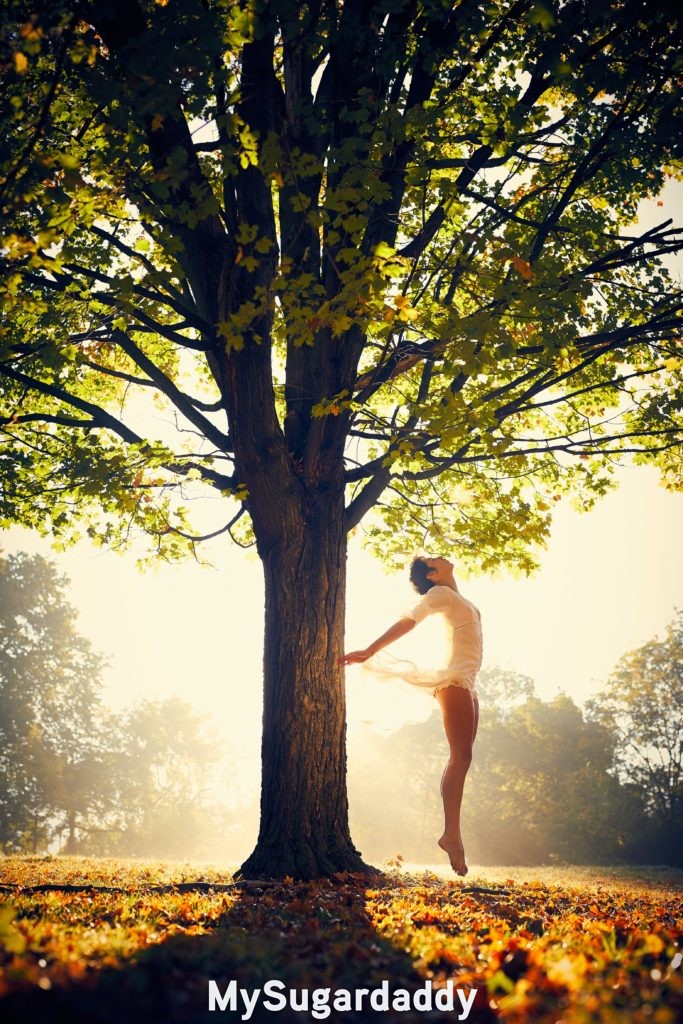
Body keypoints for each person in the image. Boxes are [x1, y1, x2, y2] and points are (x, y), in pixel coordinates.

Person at [340, 555, 482, 876]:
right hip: (454, 680)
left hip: (468, 682)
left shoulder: (460, 599)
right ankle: (451, 835)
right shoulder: (440, 595)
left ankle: (452, 833)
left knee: (464, 757)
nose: (441, 556)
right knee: (459, 756)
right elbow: (410, 620)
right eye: (434, 559)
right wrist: (370, 649)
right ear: (432, 574)